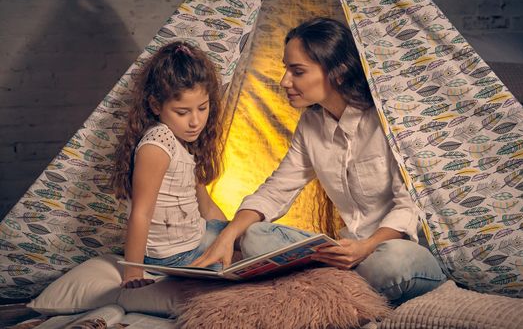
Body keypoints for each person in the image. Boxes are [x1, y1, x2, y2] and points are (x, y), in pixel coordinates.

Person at [193, 17, 446, 303]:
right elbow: (276, 190)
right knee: (254, 236)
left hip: (398, 250)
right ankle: (336, 284)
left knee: (391, 263)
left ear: (338, 72)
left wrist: (366, 247)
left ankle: (327, 284)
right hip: (344, 254)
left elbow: (408, 207)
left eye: (297, 71)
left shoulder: (387, 122)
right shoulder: (311, 125)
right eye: (286, 69)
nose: (284, 81)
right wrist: (229, 235)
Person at [111, 41, 228, 289]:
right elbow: (140, 213)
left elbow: (205, 205)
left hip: (196, 238)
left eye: (203, 108)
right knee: (240, 267)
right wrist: (133, 273)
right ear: (155, 106)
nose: (195, 121)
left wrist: (228, 235)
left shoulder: (183, 141)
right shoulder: (158, 143)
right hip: (174, 256)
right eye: (182, 112)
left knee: (250, 231)